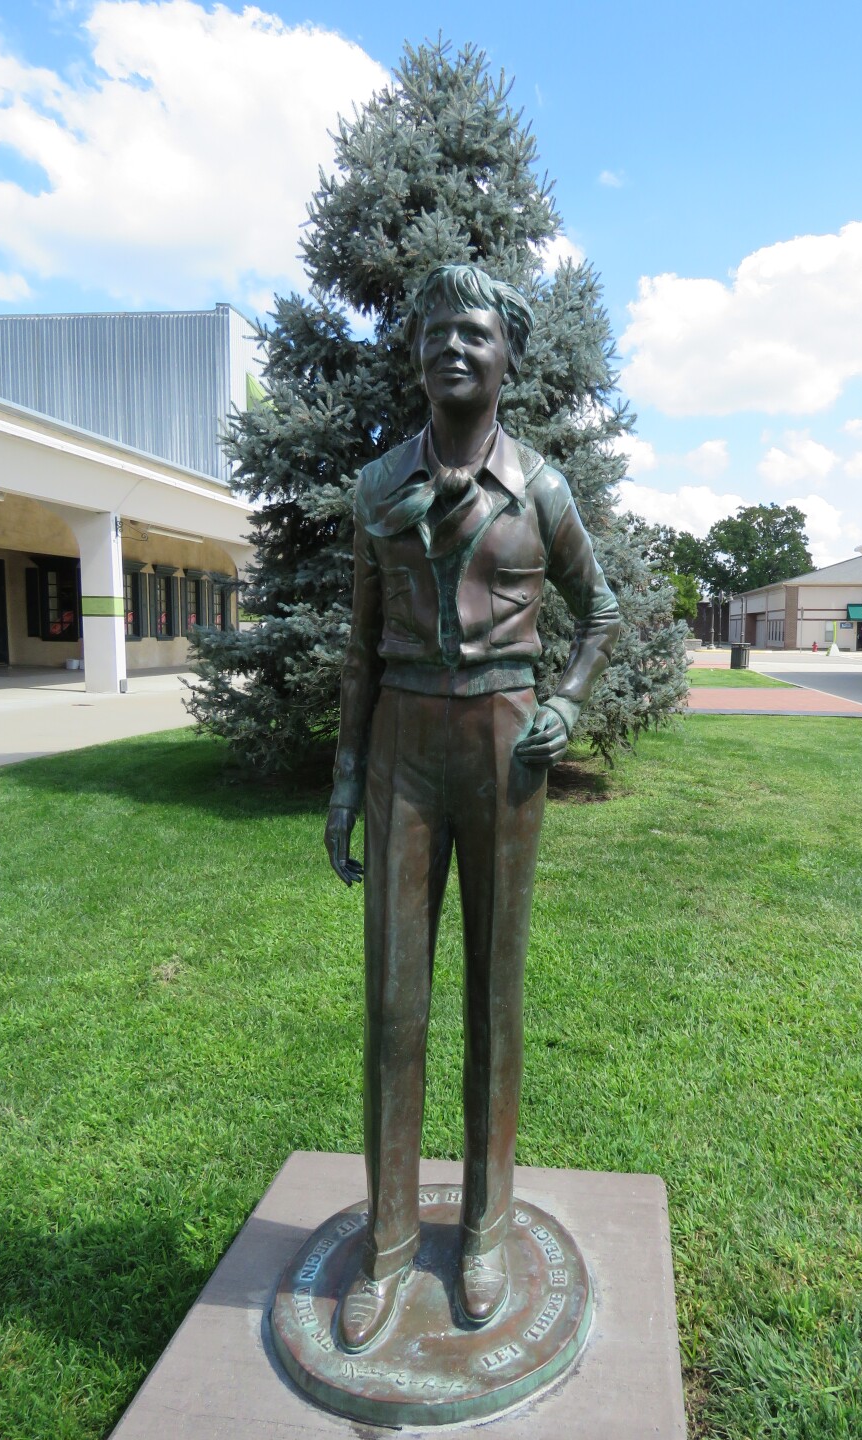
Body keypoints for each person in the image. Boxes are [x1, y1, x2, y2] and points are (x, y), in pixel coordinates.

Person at [325, 263, 620, 1351]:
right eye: (437, 332)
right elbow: (358, 651)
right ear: (416, 356)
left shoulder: (539, 487)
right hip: (404, 738)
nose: (455, 347)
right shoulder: (374, 489)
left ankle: (485, 1231)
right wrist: (347, 784)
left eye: (477, 334)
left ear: (508, 361)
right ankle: (391, 1246)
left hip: (504, 746)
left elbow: (605, 611)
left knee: (496, 997)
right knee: (395, 1005)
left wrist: (568, 705)